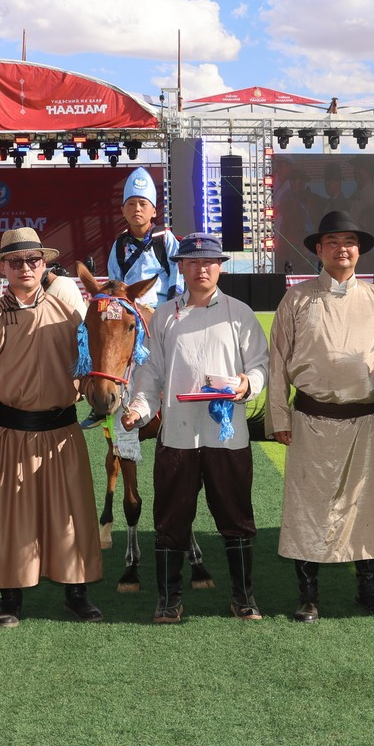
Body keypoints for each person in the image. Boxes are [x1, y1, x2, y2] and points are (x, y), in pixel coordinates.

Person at [0, 226, 104, 627]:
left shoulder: (69, 315)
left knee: (70, 516)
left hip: (62, 435)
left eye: (33, 260)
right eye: (16, 261)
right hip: (9, 435)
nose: (25, 267)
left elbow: (87, 370)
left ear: (44, 265)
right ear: (3, 268)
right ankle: (10, 598)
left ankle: (76, 594)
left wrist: (101, 392)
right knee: (11, 519)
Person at [123, 232, 269, 624]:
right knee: (171, 519)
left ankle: (244, 598)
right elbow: (149, 375)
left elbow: (259, 365)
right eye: (192, 261)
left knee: (236, 517)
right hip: (178, 434)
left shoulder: (240, 313)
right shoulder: (164, 316)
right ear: (181, 267)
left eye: (208, 262)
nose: (201, 268)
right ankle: (169, 600)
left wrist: (247, 384)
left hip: (227, 434)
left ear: (220, 267)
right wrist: (138, 409)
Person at [268, 209, 374, 622]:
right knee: (308, 506)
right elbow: (278, 363)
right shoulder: (297, 299)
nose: (341, 249)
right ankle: (308, 595)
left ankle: (368, 590)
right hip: (311, 421)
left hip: (366, 422)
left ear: (359, 250)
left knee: (368, 506)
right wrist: (280, 418)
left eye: (349, 242)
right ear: (319, 249)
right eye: (332, 242)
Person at [103, 167, 182, 306]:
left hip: (162, 306)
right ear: (123, 211)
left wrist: (173, 305)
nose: (137, 209)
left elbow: (177, 273)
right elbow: (115, 281)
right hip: (130, 308)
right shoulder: (120, 244)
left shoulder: (164, 237)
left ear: (154, 211)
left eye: (143, 204)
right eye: (131, 204)